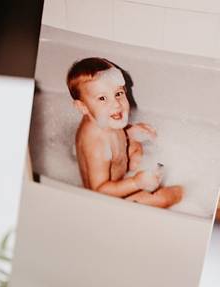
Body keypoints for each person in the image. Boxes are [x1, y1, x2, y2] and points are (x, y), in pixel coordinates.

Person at [67, 57, 182, 209]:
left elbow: (115, 132)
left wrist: (129, 131)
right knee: (168, 196)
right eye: (102, 98)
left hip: (119, 174)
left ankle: (142, 176)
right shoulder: (97, 145)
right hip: (107, 200)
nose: (116, 103)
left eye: (118, 93)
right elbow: (99, 190)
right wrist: (135, 182)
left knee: (135, 145)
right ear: (82, 107)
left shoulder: (102, 119)